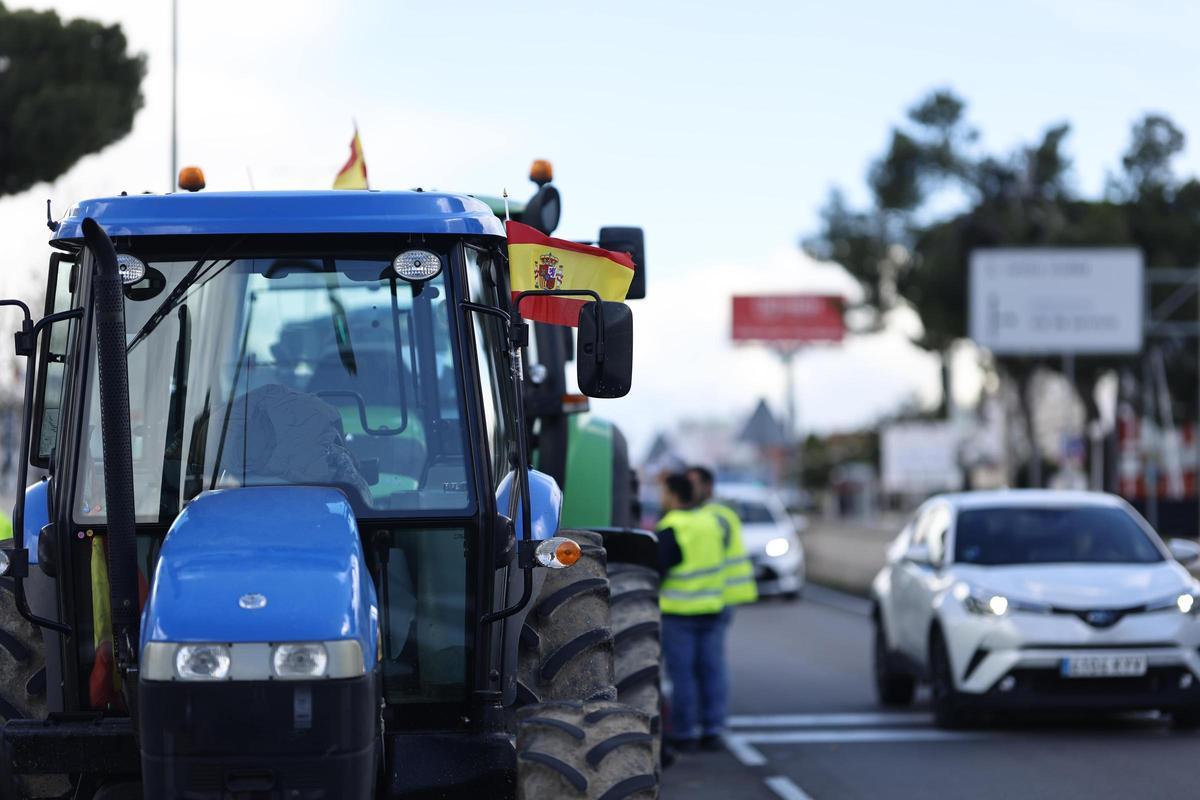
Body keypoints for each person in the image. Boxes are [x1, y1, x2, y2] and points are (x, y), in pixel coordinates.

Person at [656, 472, 728, 753]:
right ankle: (713, 730)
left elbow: (660, 567)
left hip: (679, 612)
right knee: (712, 671)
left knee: (682, 675)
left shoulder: (672, 525)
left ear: (674, 495)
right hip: (712, 607)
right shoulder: (711, 522)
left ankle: (684, 733)